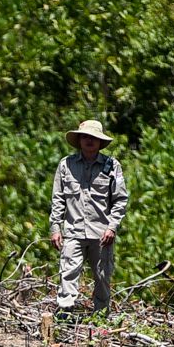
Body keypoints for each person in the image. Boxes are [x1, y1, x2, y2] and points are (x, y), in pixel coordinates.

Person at [49, 120, 128, 318]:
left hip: (102, 234)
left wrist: (112, 227)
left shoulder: (112, 166)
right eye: (85, 136)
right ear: (79, 140)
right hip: (73, 231)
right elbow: (58, 198)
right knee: (68, 273)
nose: (89, 141)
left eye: (93, 137)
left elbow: (120, 200)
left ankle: (101, 318)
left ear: (100, 142)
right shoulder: (66, 165)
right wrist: (55, 228)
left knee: (102, 277)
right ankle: (64, 315)